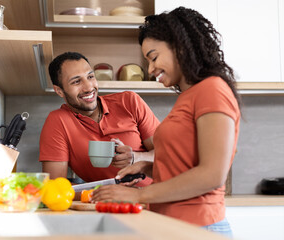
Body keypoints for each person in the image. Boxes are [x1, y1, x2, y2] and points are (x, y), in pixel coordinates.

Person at [92, 7, 241, 238]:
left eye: (153, 57)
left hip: (198, 227)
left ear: (180, 46)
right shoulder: (190, 95)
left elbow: (212, 175)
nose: (150, 69)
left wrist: (139, 196)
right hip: (173, 226)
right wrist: (149, 167)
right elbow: (186, 164)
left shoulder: (212, 90)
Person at [39, 52, 160, 186]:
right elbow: (55, 185)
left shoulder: (130, 102)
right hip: (107, 204)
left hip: (157, 196)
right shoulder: (58, 121)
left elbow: (168, 155)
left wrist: (135, 157)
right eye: (76, 81)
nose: (89, 87)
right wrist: (105, 193)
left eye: (90, 77)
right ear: (59, 91)